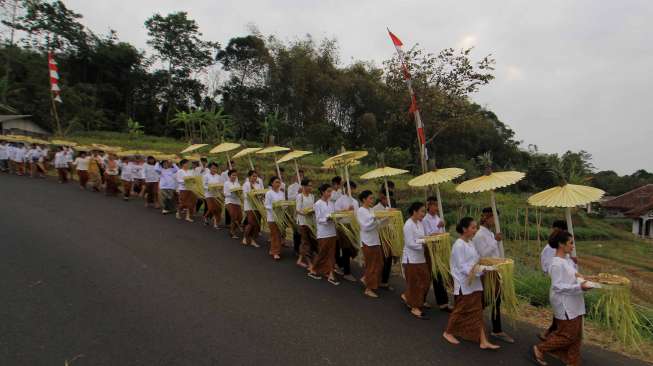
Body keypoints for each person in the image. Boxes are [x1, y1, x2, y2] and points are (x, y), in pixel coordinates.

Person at [533, 231, 592, 366]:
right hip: (565, 303)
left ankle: (572, 361)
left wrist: (585, 281)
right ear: (561, 244)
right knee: (568, 336)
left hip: (574, 301)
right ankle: (540, 348)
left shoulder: (567, 261)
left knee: (576, 337)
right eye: (570, 243)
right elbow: (557, 286)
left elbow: (575, 276)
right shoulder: (556, 264)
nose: (572, 246)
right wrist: (580, 287)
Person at [443, 217, 500, 350]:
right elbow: (463, 267)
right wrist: (480, 271)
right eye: (473, 227)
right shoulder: (458, 244)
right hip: (464, 283)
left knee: (477, 311)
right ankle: (448, 332)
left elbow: (476, 260)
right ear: (464, 229)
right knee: (460, 309)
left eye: (476, 227)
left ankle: (483, 340)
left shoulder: (470, 243)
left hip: (474, 282)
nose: (475, 230)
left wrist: (486, 266)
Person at [472, 207, 514, 344]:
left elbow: (495, 253)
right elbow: (482, 255)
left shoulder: (490, 233)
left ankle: (496, 329)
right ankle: (471, 320)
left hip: (495, 270)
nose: (496, 221)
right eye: (494, 218)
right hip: (487, 271)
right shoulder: (479, 235)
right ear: (487, 218)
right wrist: (495, 241)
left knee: (495, 300)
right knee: (487, 300)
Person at [538, 220, 570, 341]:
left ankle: (551, 333)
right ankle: (549, 338)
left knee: (561, 314)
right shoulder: (551, 248)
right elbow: (547, 266)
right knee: (560, 313)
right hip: (559, 285)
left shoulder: (566, 248)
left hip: (565, 284)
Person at [401, 202, 432, 319]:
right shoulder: (408, 225)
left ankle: (408, 296)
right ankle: (414, 307)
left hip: (420, 257)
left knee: (426, 280)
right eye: (422, 211)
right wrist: (424, 243)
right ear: (414, 211)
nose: (424, 214)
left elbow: (422, 237)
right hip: (411, 258)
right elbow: (410, 243)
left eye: (424, 211)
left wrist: (429, 238)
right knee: (415, 283)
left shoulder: (420, 223)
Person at [422, 196, 451, 312]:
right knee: (431, 275)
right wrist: (438, 227)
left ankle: (443, 302)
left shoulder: (438, 217)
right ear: (428, 206)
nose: (436, 208)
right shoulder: (425, 220)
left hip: (440, 248)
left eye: (437, 205)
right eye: (433, 205)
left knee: (439, 275)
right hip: (431, 249)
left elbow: (442, 233)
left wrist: (442, 228)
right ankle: (421, 298)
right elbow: (427, 235)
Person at [307, 183, 340, 285]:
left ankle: (330, 273)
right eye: (328, 191)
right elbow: (319, 219)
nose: (330, 193)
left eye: (331, 191)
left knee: (331, 254)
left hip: (332, 232)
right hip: (323, 233)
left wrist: (337, 217)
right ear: (322, 192)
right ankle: (313, 269)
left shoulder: (331, 203)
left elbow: (334, 215)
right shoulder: (318, 204)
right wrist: (327, 218)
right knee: (322, 253)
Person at [357, 190, 386, 298]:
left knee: (379, 263)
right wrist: (375, 218)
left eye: (373, 198)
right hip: (367, 241)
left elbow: (377, 225)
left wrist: (387, 217)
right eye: (370, 198)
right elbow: (365, 227)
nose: (372, 200)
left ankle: (366, 278)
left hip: (375, 240)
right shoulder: (361, 211)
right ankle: (368, 288)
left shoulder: (371, 210)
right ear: (364, 199)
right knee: (372, 265)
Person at [334, 181, 359, 282]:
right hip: (342, 226)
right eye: (348, 188)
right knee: (345, 248)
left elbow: (357, 215)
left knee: (353, 248)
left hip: (353, 226)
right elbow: (336, 214)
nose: (350, 190)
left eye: (352, 188)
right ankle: (346, 272)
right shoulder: (339, 201)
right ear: (344, 188)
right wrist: (346, 210)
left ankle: (341, 264)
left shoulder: (355, 202)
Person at [372, 190, 395, 291]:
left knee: (389, 258)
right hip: (380, 236)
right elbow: (375, 224)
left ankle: (384, 281)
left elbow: (392, 223)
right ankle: (376, 280)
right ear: (382, 198)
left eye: (390, 199)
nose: (388, 201)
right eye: (386, 199)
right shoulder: (375, 209)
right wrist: (387, 216)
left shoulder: (388, 208)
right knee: (381, 259)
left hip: (389, 235)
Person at [295, 178, 316, 268]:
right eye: (309, 185)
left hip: (311, 222)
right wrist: (306, 213)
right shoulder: (300, 196)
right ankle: (309, 263)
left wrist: (312, 211)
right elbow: (298, 210)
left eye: (311, 185)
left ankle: (300, 260)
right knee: (306, 242)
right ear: (304, 186)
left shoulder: (312, 196)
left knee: (305, 242)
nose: (311, 187)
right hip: (302, 222)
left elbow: (313, 207)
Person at [265, 176, 286, 260]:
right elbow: (266, 205)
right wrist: (275, 207)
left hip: (280, 217)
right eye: (276, 182)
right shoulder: (269, 193)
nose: (278, 184)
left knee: (278, 234)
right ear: (272, 183)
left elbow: (283, 203)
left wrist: (284, 206)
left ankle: (272, 250)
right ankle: (276, 252)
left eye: (279, 182)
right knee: (275, 235)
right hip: (272, 217)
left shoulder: (282, 193)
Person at [242, 170, 263, 247]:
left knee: (256, 224)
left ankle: (251, 239)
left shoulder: (258, 185)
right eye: (253, 176)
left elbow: (260, 195)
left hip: (257, 207)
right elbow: (245, 196)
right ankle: (246, 237)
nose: (255, 178)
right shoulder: (246, 185)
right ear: (249, 176)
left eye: (256, 176)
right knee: (251, 223)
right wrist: (253, 194)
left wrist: (260, 196)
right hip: (249, 206)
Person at [288, 169, 304, 255]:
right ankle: (296, 248)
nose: (300, 177)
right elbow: (290, 198)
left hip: (303, 211)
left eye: (301, 176)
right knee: (296, 229)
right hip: (295, 210)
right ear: (295, 176)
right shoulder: (291, 187)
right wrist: (297, 193)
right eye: (298, 175)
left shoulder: (304, 186)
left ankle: (303, 249)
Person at [203, 162, 224, 229]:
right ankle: (206, 216)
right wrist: (209, 187)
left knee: (218, 209)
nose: (214, 169)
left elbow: (221, 185)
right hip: (209, 194)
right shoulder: (206, 176)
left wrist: (221, 190)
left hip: (217, 194)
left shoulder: (219, 176)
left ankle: (216, 224)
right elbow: (204, 185)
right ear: (209, 168)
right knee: (211, 208)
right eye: (213, 168)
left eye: (215, 168)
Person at [223, 169, 243, 239]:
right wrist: (232, 193)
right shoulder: (226, 183)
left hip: (237, 201)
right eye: (233, 175)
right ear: (229, 176)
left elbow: (240, 192)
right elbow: (225, 193)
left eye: (235, 175)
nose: (234, 176)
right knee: (233, 216)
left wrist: (239, 193)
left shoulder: (238, 184)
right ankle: (232, 232)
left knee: (240, 217)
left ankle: (234, 229)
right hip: (229, 201)